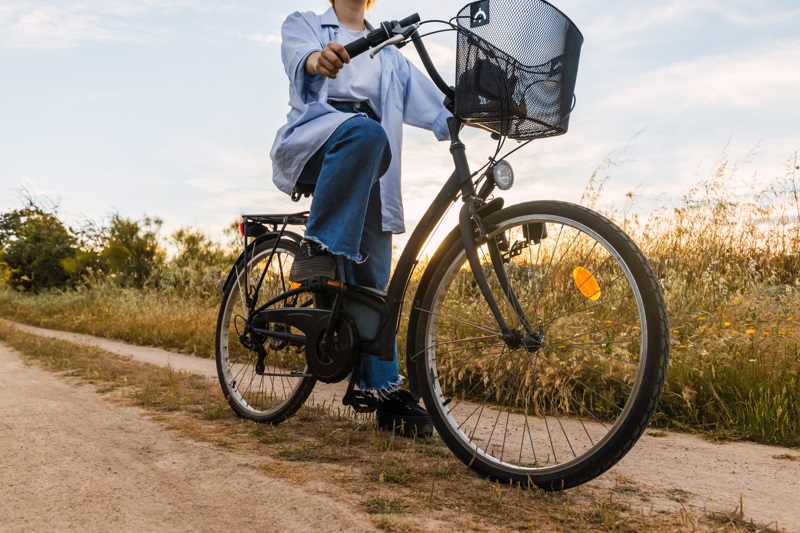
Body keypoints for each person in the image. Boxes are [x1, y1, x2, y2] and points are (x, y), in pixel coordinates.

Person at [270, 0, 451, 436]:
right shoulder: (307, 24)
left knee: (374, 284)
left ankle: (380, 390)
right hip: (320, 144)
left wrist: (480, 110)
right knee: (365, 130)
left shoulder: (390, 55)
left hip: (374, 165)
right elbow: (303, 58)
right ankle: (319, 246)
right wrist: (319, 59)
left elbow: (438, 106)